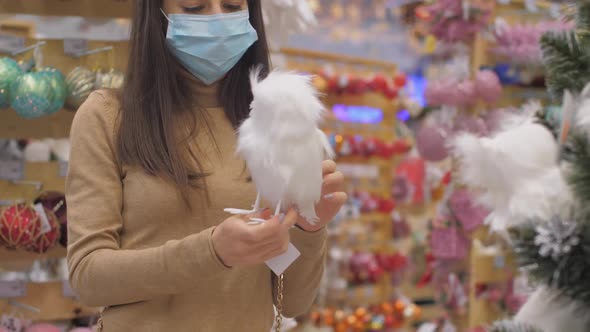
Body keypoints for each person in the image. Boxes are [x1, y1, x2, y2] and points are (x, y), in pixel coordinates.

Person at [65, 0, 347, 331]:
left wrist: (309, 228)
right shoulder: (108, 117)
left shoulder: (273, 122)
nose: (217, 20)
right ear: (157, 14)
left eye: (232, 6)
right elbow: (88, 277)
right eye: (194, 6)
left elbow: (294, 301)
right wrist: (212, 251)